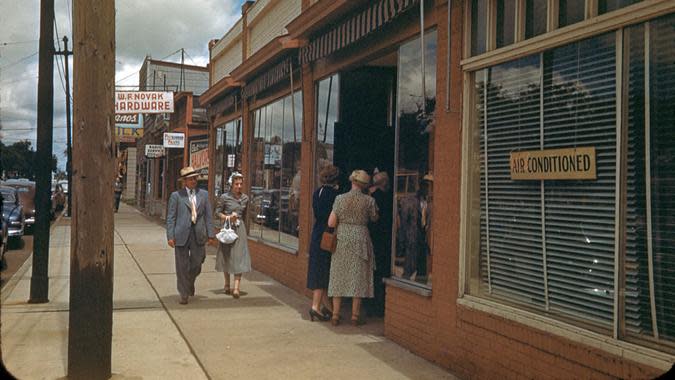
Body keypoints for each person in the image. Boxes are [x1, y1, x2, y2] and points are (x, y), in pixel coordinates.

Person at [327, 169, 379, 326]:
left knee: (338, 275)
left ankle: (335, 315)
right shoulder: (368, 201)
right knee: (358, 276)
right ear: (364, 185)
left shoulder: (340, 199)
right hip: (361, 238)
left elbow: (331, 223)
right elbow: (375, 218)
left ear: (351, 181)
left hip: (343, 238)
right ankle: (355, 316)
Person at [166, 166, 216, 305]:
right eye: (190, 179)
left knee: (197, 263)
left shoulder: (204, 194)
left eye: (195, 178)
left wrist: (211, 235)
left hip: (198, 234)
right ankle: (184, 293)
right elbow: (171, 217)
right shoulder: (176, 196)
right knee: (181, 266)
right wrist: (170, 236)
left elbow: (208, 216)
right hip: (181, 234)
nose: (193, 181)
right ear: (184, 181)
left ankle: (189, 282)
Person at [306, 165, 340, 322]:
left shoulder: (316, 193)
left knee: (319, 267)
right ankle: (315, 306)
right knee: (323, 270)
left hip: (317, 231)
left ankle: (328, 307)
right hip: (328, 233)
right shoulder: (335, 195)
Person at [214, 172, 251, 299]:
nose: (239, 186)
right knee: (227, 255)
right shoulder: (225, 197)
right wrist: (228, 217)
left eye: (241, 184)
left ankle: (236, 288)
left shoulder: (245, 198)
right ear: (231, 185)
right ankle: (227, 284)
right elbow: (217, 212)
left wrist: (246, 230)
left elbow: (246, 215)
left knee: (239, 257)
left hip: (239, 229)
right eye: (236, 184)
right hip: (228, 228)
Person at [398, 173, 433, 282]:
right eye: (425, 185)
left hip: (423, 241)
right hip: (412, 240)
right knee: (409, 269)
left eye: (430, 186)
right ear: (421, 186)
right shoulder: (410, 201)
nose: (428, 189)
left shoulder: (430, 203)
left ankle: (420, 283)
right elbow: (403, 222)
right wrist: (402, 240)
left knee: (422, 271)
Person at [367, 170, 392, 317]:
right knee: (382, 270)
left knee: (374, 272)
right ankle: (380, 304)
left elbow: (372, 219)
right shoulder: (388, 197)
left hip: (374, 237)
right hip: (385, 238)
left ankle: (373, 305)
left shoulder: (373, 197)